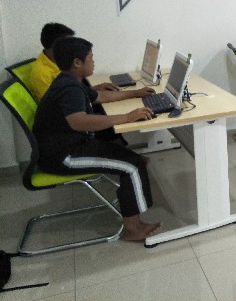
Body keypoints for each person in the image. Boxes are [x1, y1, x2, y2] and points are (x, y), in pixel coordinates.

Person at [33, 36, 162, 241]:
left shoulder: (69, 80)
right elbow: (79, 122)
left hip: (68, 146)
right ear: (77, 62)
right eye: (91, 58)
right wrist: (126, 117)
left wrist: (135, 93)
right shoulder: (69, 89)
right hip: (63, 156)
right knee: (132, 165)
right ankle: (133, 229)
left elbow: (100, 97)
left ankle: (132, 202)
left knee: (130, 157)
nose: (94, 61)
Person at [29, 22, 118, 102]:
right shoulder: (42, 75)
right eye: (68, 44)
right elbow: (64, 102)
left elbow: (71, 93)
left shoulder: (57, 61)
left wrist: (95, 89)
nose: (73, 47)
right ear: (56, 47)